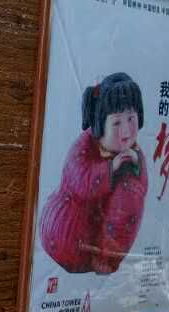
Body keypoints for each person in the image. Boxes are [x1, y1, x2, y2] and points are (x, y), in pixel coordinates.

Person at [39, 71, 148, 275]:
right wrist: (110, 169)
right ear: (100, 124)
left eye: (131, 119)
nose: (126, 131)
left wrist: (135, 168)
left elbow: (127, 213)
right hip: (66, 235)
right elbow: (79, 181)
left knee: (129, 196)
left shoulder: (132, 157)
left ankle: (106, 258)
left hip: (95, 249)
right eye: (117, 123)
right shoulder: (85, 146)